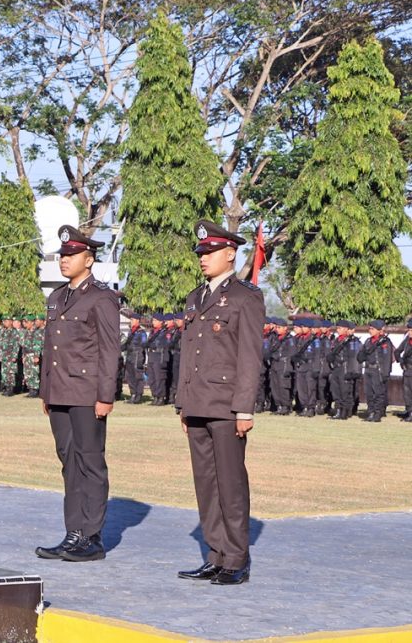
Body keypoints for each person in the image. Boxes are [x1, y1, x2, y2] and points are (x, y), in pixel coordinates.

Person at [174, 220, 264, 586]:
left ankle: (236, 558)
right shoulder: (195, 298)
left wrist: (244, 408)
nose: (203, 258)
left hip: (227, 406)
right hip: (198, 403)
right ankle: (214, 555)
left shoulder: (246, 297)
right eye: (201, 253)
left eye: (210, 252)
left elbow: (249, 357)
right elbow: (188, 354)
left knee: (230, 484)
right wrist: (183, 404)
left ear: (230, 254)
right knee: (206, 484)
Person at [35, 225, 119, 563]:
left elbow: (109, 351)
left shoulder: (102, 297)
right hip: (59, 393)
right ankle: (73, 533)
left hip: (87, 393)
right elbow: (49, 349)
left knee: (90, 462)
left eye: (71, 255)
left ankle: (92, 537)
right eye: (61, 255)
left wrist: (106, 395)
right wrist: (46, 391)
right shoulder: (57, 298)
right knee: (68, 463)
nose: (64, 260)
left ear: (89, 258)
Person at [357, 320, 393, 422]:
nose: (370, 330)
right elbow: (360, 356)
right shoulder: (368, 341)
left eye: (372, 329)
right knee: (369, 393)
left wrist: (386, 373)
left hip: (378, 370)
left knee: (378, 393)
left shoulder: (385, 342)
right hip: (368, 369)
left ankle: (377, 413)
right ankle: (371, 412)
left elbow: (387, 359)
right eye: (370, 328)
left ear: (379, 330)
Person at [327, 320, 362, 420]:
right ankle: (338, 410)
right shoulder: (336, 340)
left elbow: (353, 357)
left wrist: (352, 371)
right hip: (336, 368)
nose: (338, 330)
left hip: (346, 368)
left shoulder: (351, 341)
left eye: (340, 328)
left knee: (345, 391)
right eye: (337, 328)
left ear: (347, 329)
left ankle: (345, 412)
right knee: (336, 391)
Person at [122, 313, 147, 403]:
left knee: (138, 376)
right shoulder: (130, 332)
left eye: (133, 320)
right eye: (131, 319)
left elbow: (144, 344)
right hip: (129, 356)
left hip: (137, 356)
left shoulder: (142, 332)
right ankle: (133, 394)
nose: (131, 321)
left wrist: (139, 353)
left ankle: (138, 395)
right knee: (129, 376)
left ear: (138, 321)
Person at [395, 320, 412, 422]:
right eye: (409, 330)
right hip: (407, 370)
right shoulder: (407, 341)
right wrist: (400, 360)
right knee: (407, 393)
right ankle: (409, 411)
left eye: (411, 330)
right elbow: (397, 351)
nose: (409, 332)